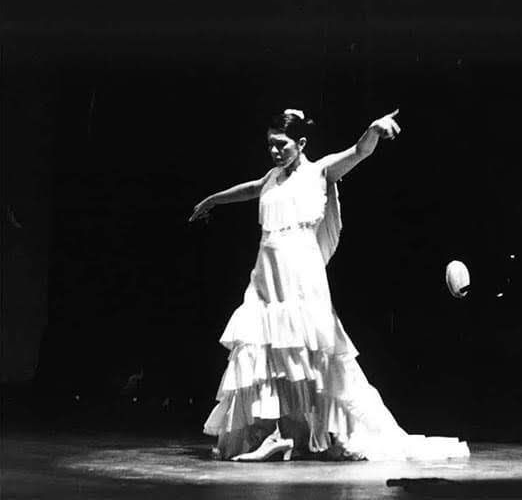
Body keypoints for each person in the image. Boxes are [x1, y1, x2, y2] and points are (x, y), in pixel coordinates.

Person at [189, 108, 469, 461]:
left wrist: (372, 130)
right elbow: (250, 190)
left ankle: (297, 433)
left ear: (301, 143)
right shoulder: (273, 177)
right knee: (263, 344)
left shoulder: (320, 170)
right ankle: (274, 432)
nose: (275, 152)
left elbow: (358, 152)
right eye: (271, 145)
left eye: (282, 145)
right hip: (266, 271)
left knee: (305, 346)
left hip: (300, 271)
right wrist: (212, 200)